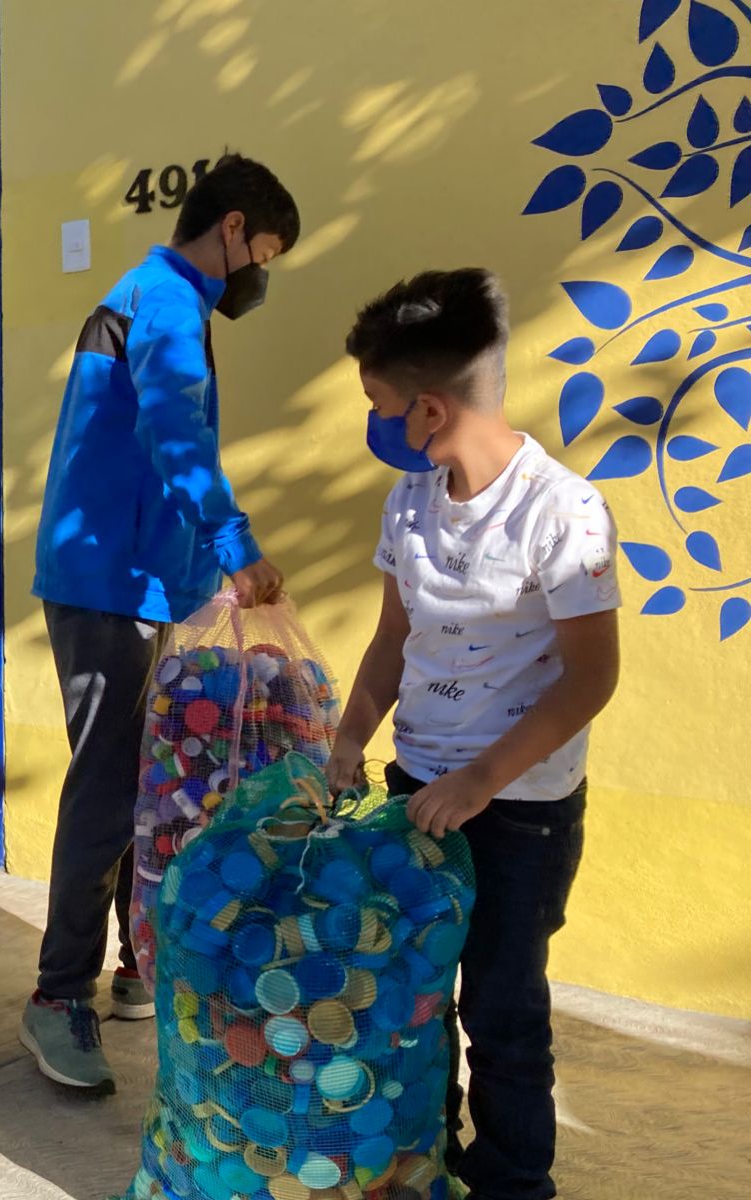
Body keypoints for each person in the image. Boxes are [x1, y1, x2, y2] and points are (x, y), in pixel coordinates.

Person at [326, 268, 620, 1200]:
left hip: (518, 812)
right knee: (411, 998)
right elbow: (391, 639)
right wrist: (349, 741)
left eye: (376, 403)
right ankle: (425, 1162)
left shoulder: (561, 512)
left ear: (426, 408)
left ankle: (512, 1181)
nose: (371, 423)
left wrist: (483, 781)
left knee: (499, 1012)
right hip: (420, 790)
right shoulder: (409, 503)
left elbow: (591, 678)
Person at [24, 152, 299, 1093]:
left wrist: (197, 583)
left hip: (145, 583)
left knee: (157, 778)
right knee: (108, 787)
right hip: (106, 586)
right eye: (266, 249)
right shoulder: (169, 301)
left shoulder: (153, 297)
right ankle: (58, 996)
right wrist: (234, 545)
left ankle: (132, 963)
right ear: (232, 229)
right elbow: (173, 435)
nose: (262, 270)